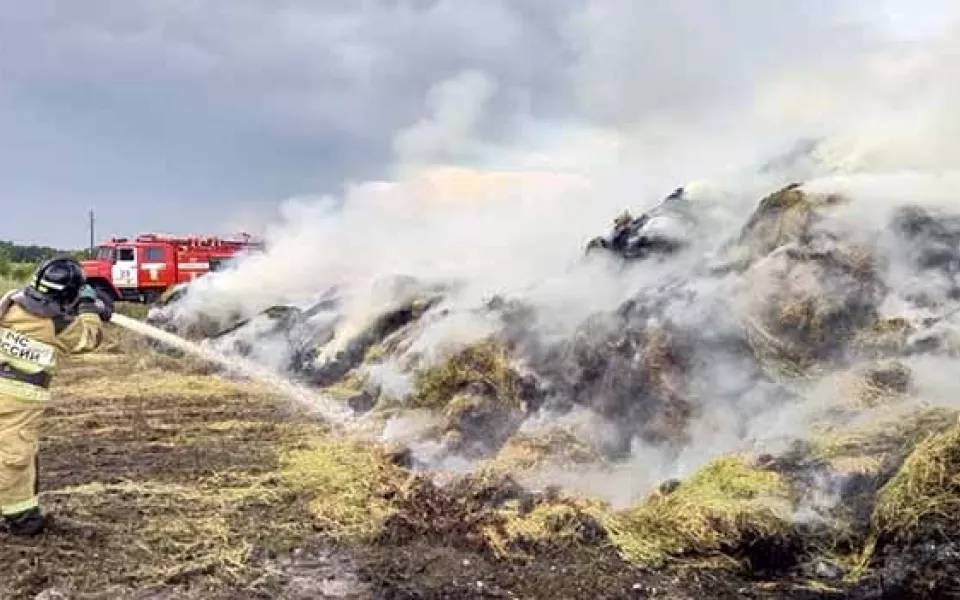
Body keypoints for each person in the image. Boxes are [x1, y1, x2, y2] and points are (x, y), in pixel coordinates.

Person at [0, 257, 112, 536]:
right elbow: (89, 338)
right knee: (15, 455)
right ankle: (21, 518)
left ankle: (20, 509)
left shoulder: (11, 301)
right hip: (18, 399)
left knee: (13, 453)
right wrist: (88, 309)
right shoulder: (57, 324)